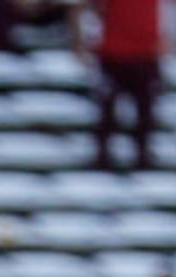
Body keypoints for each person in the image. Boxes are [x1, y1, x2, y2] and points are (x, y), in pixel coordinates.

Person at [72, 0, 164, 171]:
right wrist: (80, 40)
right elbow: (81, 6)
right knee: (107, 108)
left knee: (145, 109)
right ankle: (103, 155)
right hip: (112, 53)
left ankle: (142, 155)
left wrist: (172, 37)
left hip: (145, 53)